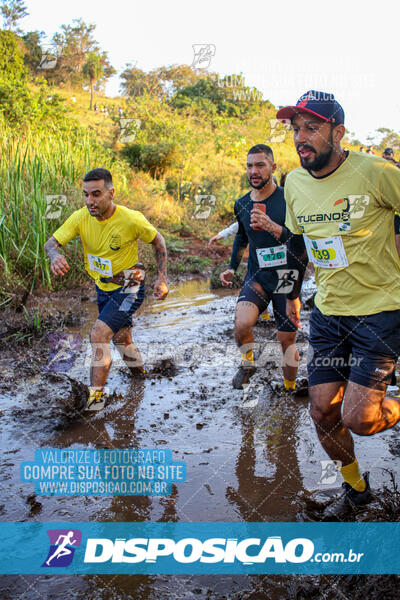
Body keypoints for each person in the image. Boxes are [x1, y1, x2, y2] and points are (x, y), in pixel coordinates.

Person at [276, 90, 400, 514]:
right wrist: (291, 295)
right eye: (296, 129)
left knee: (359, 419)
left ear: (339, 132)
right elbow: (300, 243)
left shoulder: (378, 172)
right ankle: (356, 489)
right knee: (321, 413)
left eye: (312, 127)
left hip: (380, 313)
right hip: (328, 314)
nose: (300, 137)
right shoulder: (293, 182)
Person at [45, 168, 168, 411]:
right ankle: (140, 375)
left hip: (131, 283)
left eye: (96, 194)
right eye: (86, 195)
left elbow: (158, 241)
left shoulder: (131, 219)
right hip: (103, 286)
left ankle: (95, 399)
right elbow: (51, 243)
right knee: (123, 341)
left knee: (98, 335)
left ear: (111, 193)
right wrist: (54, 255)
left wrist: (162, 278)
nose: (90, 201)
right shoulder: (80, 217)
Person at [220, 144, 299, 391]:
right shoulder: (242, 203)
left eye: (260, 165)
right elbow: (242, 236)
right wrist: (232, 267)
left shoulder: (289, 199)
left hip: (287, 276)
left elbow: (301, 243)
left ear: (273, 167)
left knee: (286, 339)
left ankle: (289, 387)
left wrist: (274, 227)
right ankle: (248, 363)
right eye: (249, 166)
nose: (254, 171)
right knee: (242, 323)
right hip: (258, 275)